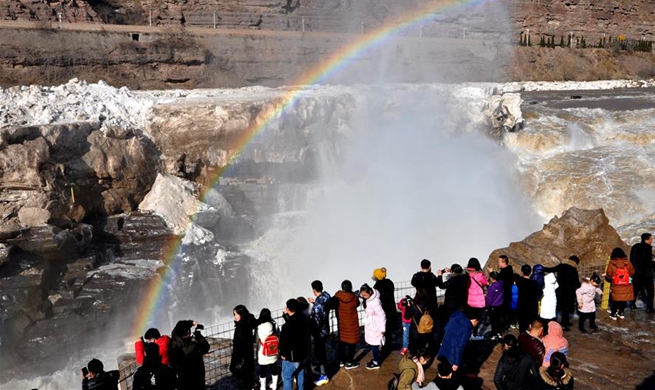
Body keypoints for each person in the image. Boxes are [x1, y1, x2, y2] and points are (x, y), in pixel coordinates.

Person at [169, 320, 210, 390]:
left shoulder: (174, 343)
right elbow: (206, 347)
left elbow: (175, 331)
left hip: (183, 379)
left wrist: (190, 323)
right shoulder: (193, 347)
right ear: (188, 332)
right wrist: (199, 336)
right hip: (196, 380)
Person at [543, 256, 581, 331]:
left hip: (559, 290)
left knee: (557, 307)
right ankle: (564, 323)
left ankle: (554, 322)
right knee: (566, 308)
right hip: (569, 292)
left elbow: (551, 269)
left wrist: (541, 268)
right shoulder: (573, 269)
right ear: (575, 262)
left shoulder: (561, 266)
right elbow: (577, 282)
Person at [280, 298, 310, 390]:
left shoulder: (286, 326)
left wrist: (283, 354)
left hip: (292, 357)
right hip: (303, 353)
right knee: (300, 373)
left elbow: (285, 342)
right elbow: (293, 322)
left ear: (288, 309)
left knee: (287, 377)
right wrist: (286, 316)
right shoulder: (304, 318)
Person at [330, 280, 360, 369]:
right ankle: (350, 362)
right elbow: (357, 304)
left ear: (342, 287)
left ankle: (341, 361)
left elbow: (331, 304)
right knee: (352, 343)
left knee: (342, 343)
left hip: (342, 323)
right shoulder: (354, 297)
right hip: (352, 324)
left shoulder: (337, 297)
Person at [307, 280, 331, 386]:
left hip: (319, 333)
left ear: (314, 290)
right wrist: (315, 302)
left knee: (320, 353)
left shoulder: (317, 307)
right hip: (326, 329)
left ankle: (324, 375)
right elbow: (322, 306)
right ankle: (323, 371)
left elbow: (316, 322)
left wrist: (311, 331)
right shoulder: (326, 296)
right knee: (322, 352)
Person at [360, 283, 386, 369]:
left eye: (365, 295)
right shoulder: (369, 299)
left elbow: (382, 315)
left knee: (374, 345)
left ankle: (376, 362)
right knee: (373, 344)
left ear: (370, 292)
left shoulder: (375, 302)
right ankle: (375, 359)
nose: (363, 297)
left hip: (375, 326)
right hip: (372, 325)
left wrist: (382, 329)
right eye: (362, 295)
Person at [230, 305, 257, 389]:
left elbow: (240, 345)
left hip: (242, 357)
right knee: (248, 375)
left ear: (241, 314)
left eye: (236, 314)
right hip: (248, 355)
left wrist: (238, 360)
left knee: (244, 376)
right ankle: (252, 385)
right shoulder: (247, 323)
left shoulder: (241, 328)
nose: (234, 317)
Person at [605, 247, 636, 320]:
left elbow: (609, 274)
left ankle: (613, 314)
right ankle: (621, 313)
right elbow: (632, 272)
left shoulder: (611, 263)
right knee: (624, 299)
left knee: (616, 300)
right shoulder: (627, 262)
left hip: (616, 285)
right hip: (626, 284)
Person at [373, 267, 396, 356]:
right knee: (389, 330)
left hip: (382, 311)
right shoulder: (390, 283)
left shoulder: (376, 287)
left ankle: (383, 348)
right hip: (391, 309)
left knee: (382, 331)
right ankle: (388, 346)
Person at [487, 255, 514, 331]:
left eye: (499, 262)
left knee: (503, 314)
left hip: (505, 295)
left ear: (503, 262)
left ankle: (502, 329)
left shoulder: (506, 271)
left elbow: (499, 277)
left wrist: (492, 272)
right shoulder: (507, 270)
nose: (498, 263)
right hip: (504, 295)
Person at [404, 288, 435, 354]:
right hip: (426, 330)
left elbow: (406, 317)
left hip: (415, 332)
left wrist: (408, 307)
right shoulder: (429, 305)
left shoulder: (414, 307)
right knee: (422, 349)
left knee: (414, 351)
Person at [630, 233, 655, 313]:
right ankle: (649, 308)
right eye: (651, 239)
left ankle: (632, 305)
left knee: (635, 289)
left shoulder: (635, 247)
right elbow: (647, 263)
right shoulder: (647, 248)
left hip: (636, 273)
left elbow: (632, 259)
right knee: (650, 290)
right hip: (646, 274)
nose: (652, 241)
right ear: (646, 240)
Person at [256, 308, 279, 390]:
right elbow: (278, 335)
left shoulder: (258, 326)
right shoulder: (274, 324)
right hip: (273, 349)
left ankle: (263, 387)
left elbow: (256, 339)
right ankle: (275, 385)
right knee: (274, 367)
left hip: (263, 351)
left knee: (263, 369)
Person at [516, 264, 543, 333]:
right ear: (531, 272)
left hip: (522, 307)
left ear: (522, 272)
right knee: (531, 326)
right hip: (532, 308)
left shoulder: (519, 282)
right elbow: (540, 293)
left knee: (522, 327)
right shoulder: (534, 283)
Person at [486, 271, 504, 341]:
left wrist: (487, 306)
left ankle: (494, 334)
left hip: (493, 307)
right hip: (500, 305)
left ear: (492, 278)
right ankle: (499, 333)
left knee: (493, 321)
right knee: (498, 320)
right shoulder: (501, 284)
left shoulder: (491, 288)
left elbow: (489, 299)